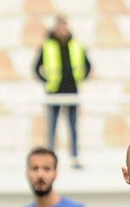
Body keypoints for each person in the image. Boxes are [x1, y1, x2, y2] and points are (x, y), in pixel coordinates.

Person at [34, 16, 90, 170]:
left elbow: (87, 65)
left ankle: (74, 157)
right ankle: (49, 159)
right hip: (54, 92)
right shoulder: (48, 46)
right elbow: (36, 68)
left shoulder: (76, 46)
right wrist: (47, 81)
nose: (63, 30)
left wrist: (80, 79)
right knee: (52, 127)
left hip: (72, 92)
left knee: (72, 126)